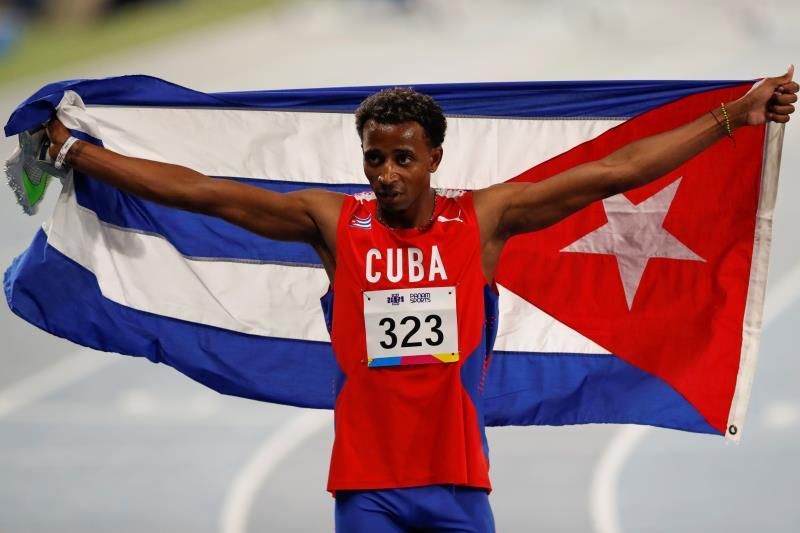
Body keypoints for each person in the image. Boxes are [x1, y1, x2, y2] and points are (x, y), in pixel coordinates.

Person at [44, 67, 797, 533]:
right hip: (367, 490)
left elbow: (615, 171)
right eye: (374, 157)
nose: (387, 173)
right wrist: (79, 153)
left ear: (435, 157)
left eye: (403, 157)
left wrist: (733, 116)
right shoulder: (334, 224)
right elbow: (202, 193)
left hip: (458, 483)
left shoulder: (486, 220)